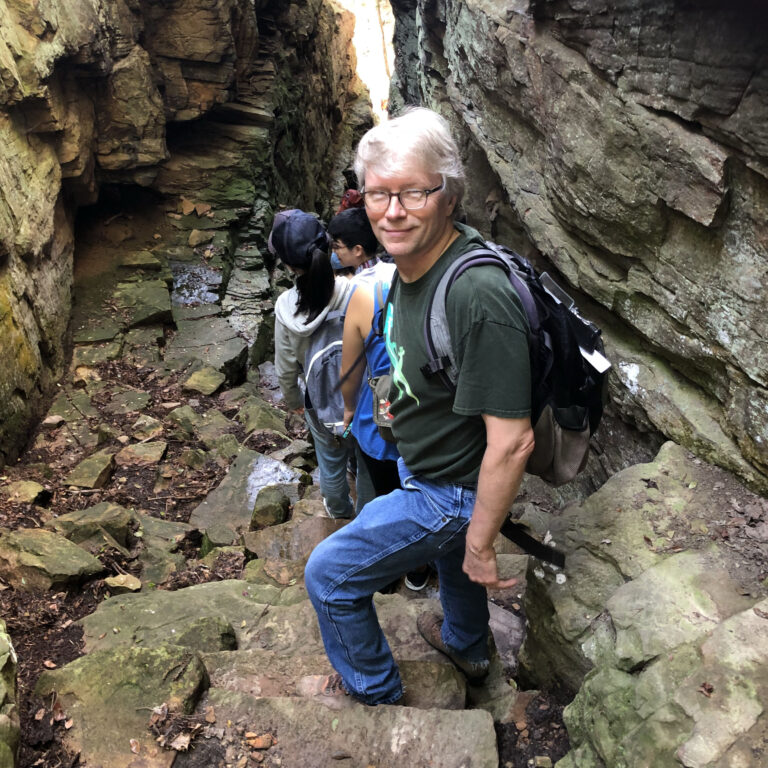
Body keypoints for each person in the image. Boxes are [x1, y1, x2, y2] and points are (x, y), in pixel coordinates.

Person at [304, 107, 535, 706]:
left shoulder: (475, 292)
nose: (393, 210)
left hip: (451, 489)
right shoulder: (408, 269)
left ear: (449, 193)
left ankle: (376, 696)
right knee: (454, 558)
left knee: (329, 575)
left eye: (413, 191)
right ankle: (468, 643)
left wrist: (484, 540)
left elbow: (512, 441)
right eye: (379, 194)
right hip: (428, 462)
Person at [332, 208, 431, 591]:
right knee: (421, 489)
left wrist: (349, 409)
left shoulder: (360, 293)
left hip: (380, 414)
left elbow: (350, 367)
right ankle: (420, 570)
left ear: (359, 249)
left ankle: (387, 571)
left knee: (388, 495)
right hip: (425, 409)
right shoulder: (409, 274)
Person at [270, 209, 356, 519]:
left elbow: (285, 367)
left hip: (319, 402)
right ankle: (372, 509)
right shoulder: (352, 291)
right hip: (361, 393)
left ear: (289, 265)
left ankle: (341, 512)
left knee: (331, 462)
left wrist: (294, 401)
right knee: (364, 450)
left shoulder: (285, 308)